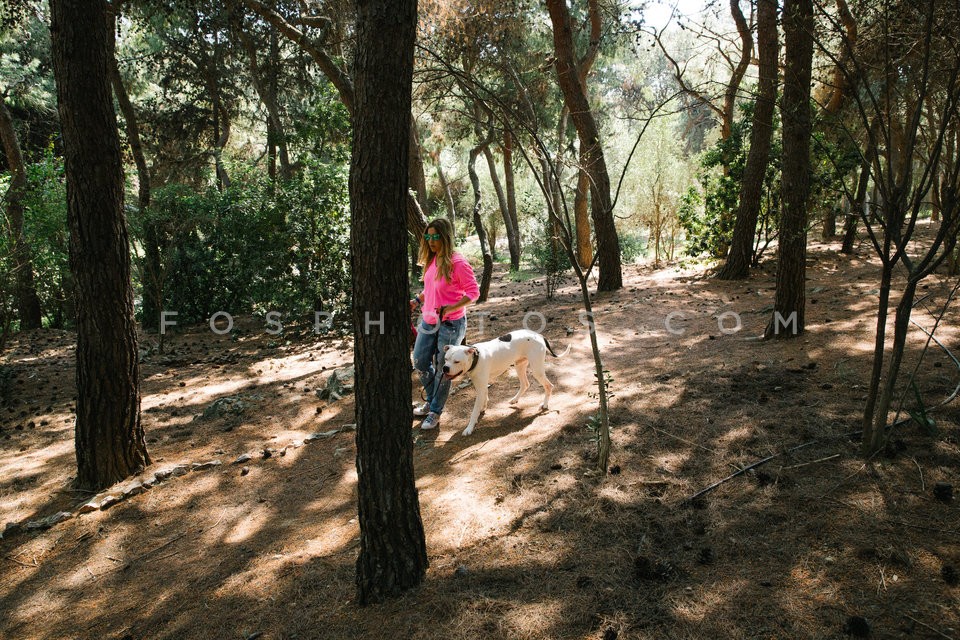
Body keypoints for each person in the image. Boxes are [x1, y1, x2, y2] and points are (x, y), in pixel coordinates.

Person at [410, 218, 480, 430]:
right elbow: (432, 289)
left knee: (444, 368)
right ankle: (432, 401)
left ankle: (435, 411)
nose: (431, 241)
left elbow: (473, 292)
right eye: (428, 237)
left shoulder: (457, 263)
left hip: (451, 323)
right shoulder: (432, 260)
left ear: (445, 237)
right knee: (420, 361)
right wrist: (417, 301)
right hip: (429, 321)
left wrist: (450, 308)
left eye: (436, 237)